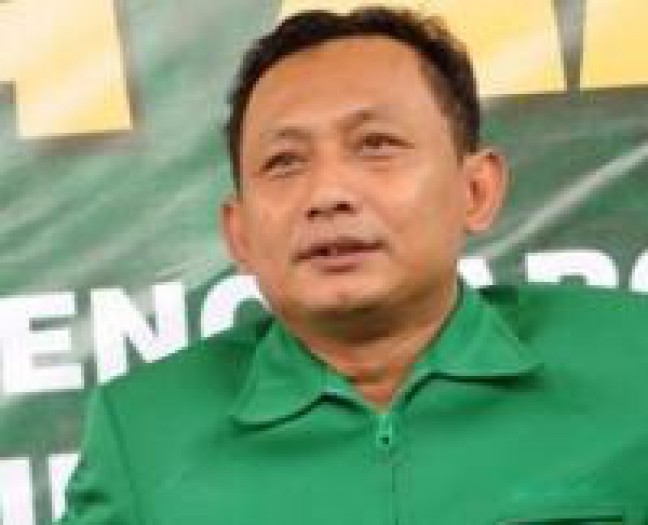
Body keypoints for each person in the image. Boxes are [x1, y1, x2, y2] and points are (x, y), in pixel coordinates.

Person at [59, 7, 648, 525]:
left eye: (376, 145)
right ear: (240, 234)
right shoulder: (144, 433)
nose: (328, 194)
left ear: (476, 191)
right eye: (285, 161)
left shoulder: (632, 363)